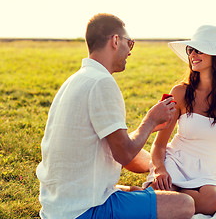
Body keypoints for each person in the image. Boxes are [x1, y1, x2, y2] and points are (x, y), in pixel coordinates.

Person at [36, 13, 195, 219]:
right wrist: (150, 121)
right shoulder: (102, 83)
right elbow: (124, 154)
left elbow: (123, 153)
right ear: (115, 40)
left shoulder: (77, 79)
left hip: (60, 205)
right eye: (130, 43)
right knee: (183, 204)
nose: (130, 51)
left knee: (141, 192)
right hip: (84, 210)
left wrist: (160, 165)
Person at [143, 25, 216, 215]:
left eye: (199, 50)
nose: (193, 55)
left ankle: (169, 199)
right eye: (191, 50)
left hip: (209, 173)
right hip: (175, 163)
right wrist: (159, 170)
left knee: (214, 201)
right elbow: (159, 145)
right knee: (161, 191)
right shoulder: (180, 93)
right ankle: (163, 197)